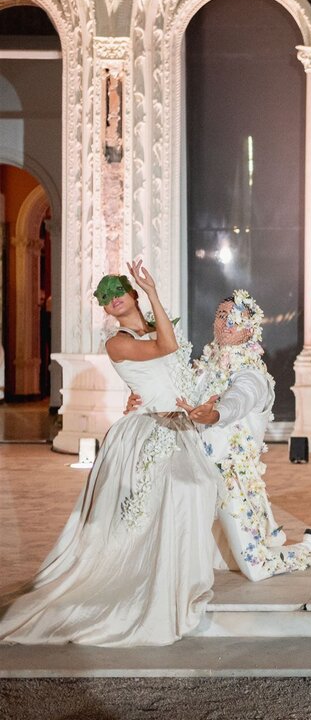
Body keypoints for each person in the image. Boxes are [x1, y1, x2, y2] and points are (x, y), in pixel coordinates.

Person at [0, 262, 220, 646]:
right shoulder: (117, 341)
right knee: (167, 497)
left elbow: (174, 365)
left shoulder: (155, 326)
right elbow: (166, 348)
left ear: (129, 294)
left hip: (178, 426)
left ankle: (176, 574)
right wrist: (152, 289)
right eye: (104, 298)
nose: (112, 299)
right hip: (146, 429)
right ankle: (142, 578)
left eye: (117, 291)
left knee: (198, 486)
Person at [128, 290, 311, 581]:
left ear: (251, 329)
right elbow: (174, 399)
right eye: (222, 315)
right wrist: (142, 402)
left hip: (233, 481)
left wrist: (214, 413)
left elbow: (238, 398)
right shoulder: (202, 369)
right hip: (195, 475)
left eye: (238, 317)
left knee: (256, 567)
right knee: (196, 559)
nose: (228, 321)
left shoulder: (254, 375)